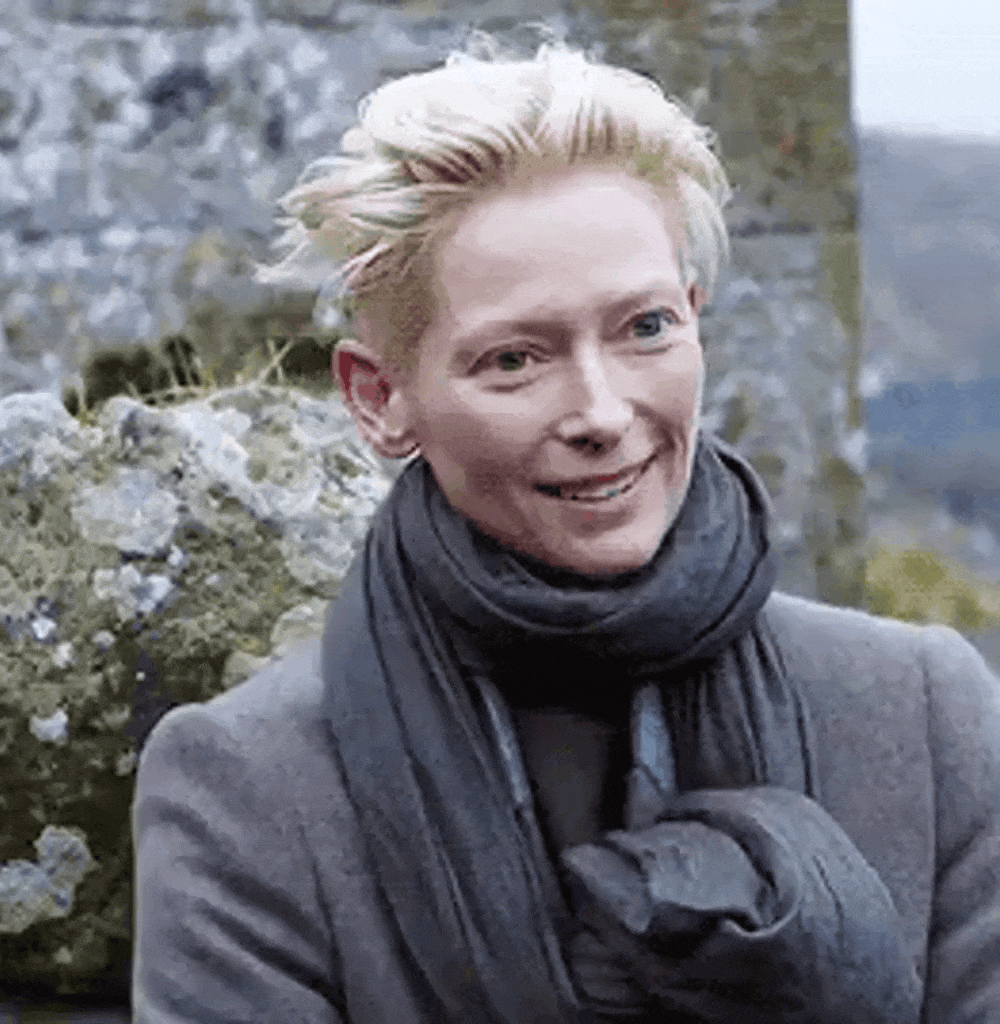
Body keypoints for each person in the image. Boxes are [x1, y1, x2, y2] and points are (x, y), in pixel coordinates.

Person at [132, 31, 1000, 1023]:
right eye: (514, 359)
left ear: (695, 316)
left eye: (644, 328)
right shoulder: (249, 790)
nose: (600, 412)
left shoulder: (923, 717)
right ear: (379, 398)